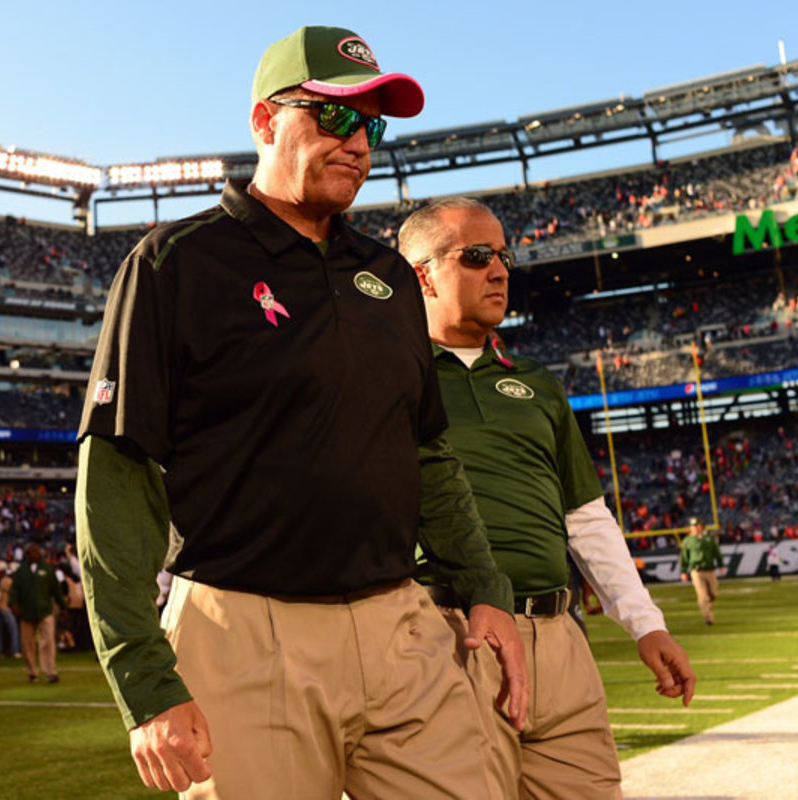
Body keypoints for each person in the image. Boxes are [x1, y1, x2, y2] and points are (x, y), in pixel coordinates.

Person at [76, 25, 526, 798]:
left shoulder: (387, 275)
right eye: (335, 117)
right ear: (264, 121)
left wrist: (484, 586)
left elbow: (427, 454)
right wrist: (142, 677)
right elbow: (117, 471)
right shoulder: (175, 264)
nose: (358, 142)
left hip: (400, 625)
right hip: (245, 631)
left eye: (371, 125)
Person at [398, 197, 695, 798]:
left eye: (504, 256)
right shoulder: (387, 374)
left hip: (558, 637)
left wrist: (645, 625)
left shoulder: (536, 383)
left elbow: (584, 518)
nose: (500, 270)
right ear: (421, 274)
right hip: (447, 636)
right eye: (476, 256)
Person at [9, 543, 63, 683]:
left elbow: (55, 590)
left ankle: (50, 672)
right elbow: (14, 590)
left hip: (45, 611)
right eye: (29, 552)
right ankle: (32, 672)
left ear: (39, 553)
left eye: (34, 552)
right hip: (26, 612)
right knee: (27, 644)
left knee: (48, 642)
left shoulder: (48, 569)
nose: (32, 554)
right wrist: (13, 604)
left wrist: (63, 606)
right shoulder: (21, 571)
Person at [679, 517, 725, 625]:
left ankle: (706, 607)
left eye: (697, 525)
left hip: (710, 569)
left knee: (713, 594)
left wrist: (721, 565)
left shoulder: (709, 538)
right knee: (703, 595)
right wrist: (683, 571)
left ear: (701, 526)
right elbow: (684, 557)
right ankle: (708, 618)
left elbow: (716, 552)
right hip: (696, 571)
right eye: (693, 526)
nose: (695, 528)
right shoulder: (687, 541)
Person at [0, 561, 20, 658]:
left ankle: (1, 650)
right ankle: (14, 650)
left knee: (0, 631)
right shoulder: (6, 580)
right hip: (5, 607)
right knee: (13, 629)